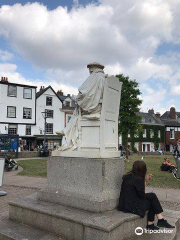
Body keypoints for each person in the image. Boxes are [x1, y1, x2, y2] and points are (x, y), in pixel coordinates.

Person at [118, 160, 175, 230]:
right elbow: (142, 195)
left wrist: (145, 180)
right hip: (131, 207)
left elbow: (137, 190)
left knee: (152, 196)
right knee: (152, 200)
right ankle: (157, 222)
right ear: (142, 169)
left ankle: (158, 221)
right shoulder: (138, 179)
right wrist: (145, 181)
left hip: (124, 204)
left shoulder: (127, 176)